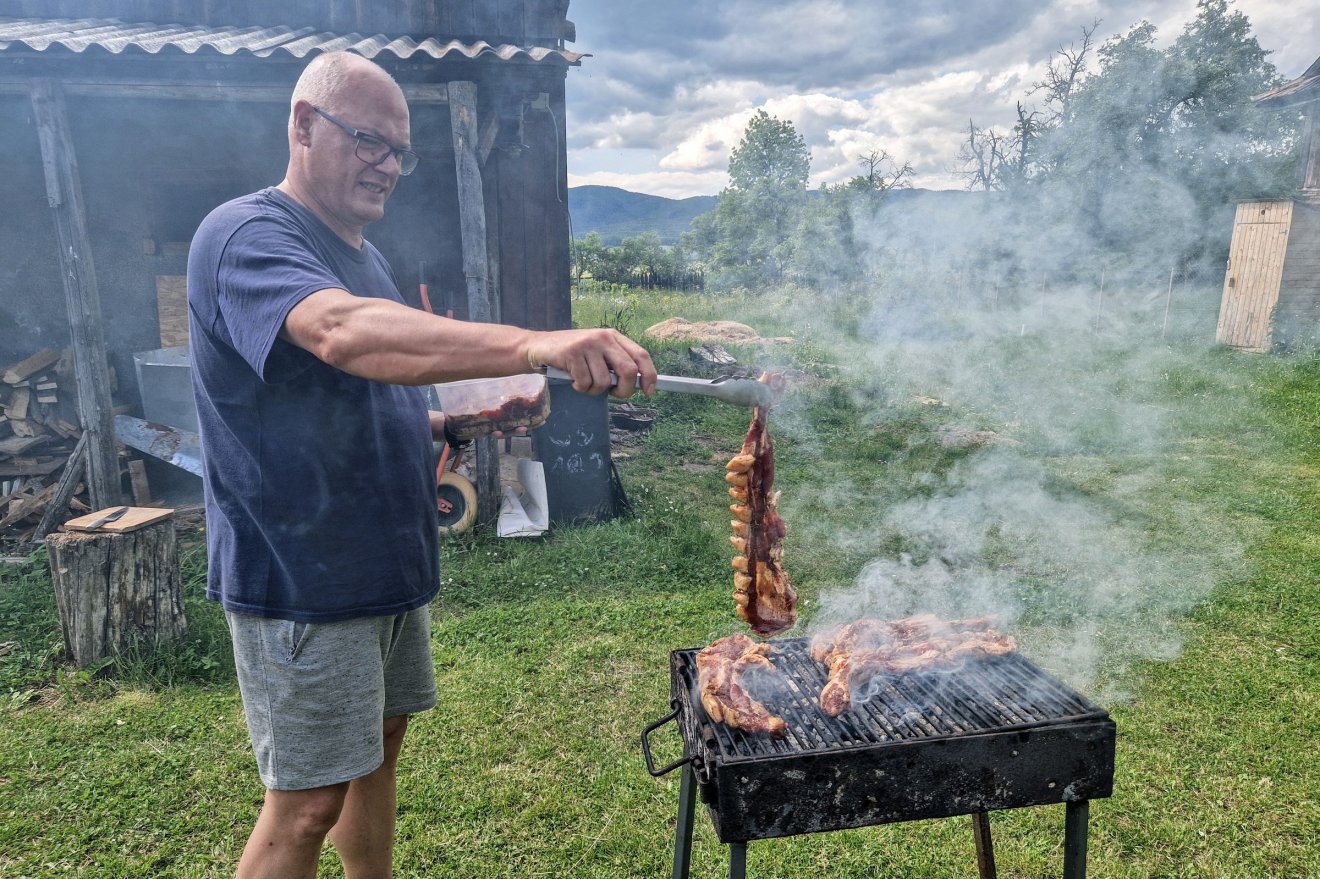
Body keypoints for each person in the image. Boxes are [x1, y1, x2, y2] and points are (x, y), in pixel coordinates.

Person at [186, 50, 656, 879]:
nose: (389, 165)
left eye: (400, 150)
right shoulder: (246, 234)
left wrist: (451, 417)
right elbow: (341, 333)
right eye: (369, 139)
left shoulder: (362, 254)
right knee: (305, 801)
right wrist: (535, 342)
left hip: (384, 556)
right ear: (302, 125)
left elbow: (358, 385)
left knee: (380, 748)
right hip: (300, 570)